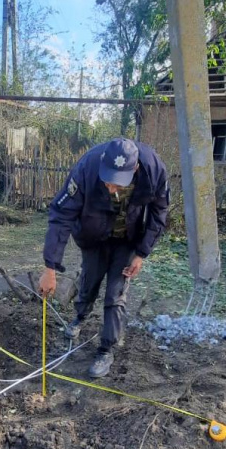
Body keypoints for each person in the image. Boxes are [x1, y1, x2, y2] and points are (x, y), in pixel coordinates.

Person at [39, 138, 169, 378]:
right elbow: (61, 214)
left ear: (135, 169)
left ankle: (106, 349)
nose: (111, 188)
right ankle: (79, 318)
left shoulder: (153, 170)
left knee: (115, 294)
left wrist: (141, 253)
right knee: (89, 282)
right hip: (93, 235)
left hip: (128, 238)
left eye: (117, 184)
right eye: (107, 181)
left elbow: (159, 212)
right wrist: (50, 268)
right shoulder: (86, 168)